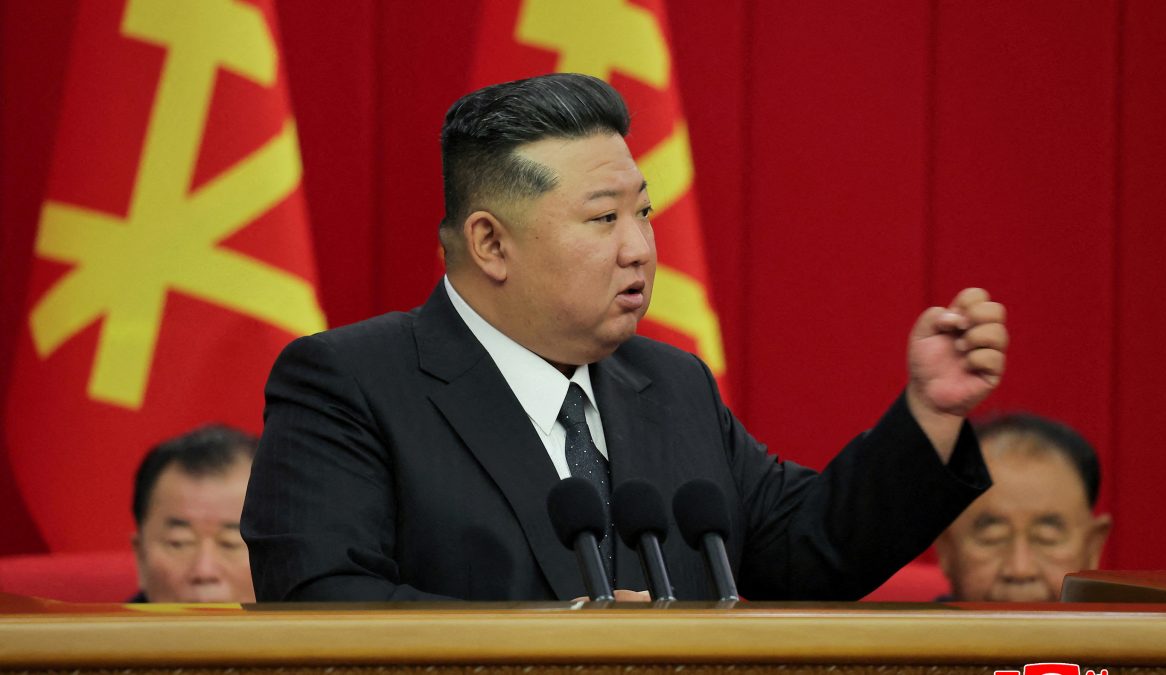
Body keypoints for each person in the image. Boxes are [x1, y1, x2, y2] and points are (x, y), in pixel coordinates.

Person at [242, 73, 1008, 602]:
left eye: (644, 213)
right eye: (604, 218)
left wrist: (929, 413)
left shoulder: (671, 383)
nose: (639, 247)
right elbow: (324, 602)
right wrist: (564, 642)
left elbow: (805, 551)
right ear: (491, 244)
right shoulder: (349, 383)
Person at [935, 414, 1111, 602]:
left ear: (1092, 547)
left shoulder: (1133, 632)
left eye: (1046, 538)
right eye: (993, 537)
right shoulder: (907, 633)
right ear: (946, 548)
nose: (1020, 569)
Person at [130, 424, 257, 603]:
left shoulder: (307, 629)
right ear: (141, 557)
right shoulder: (98, 631)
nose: (204, 572)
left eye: (231, 543)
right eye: (179, 543)